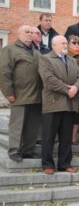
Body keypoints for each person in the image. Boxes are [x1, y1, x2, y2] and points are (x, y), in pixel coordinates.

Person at [38, 35, 79, 175]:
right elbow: (49, 79)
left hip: (69, 105)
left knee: (66, 137)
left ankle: (65, 164)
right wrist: (67, 90)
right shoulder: (45, 59)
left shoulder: (71, 60)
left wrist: (76, 88)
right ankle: (47, 164)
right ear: (54, 46)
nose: (66, 45)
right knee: (48, 136)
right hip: (53, 104)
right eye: (62, 43)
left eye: (66, 42)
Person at [0, 25, 43, 162]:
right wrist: (8, 93)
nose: (30, 34)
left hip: (36, 95)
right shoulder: (10, 49)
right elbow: (4, 72)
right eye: (26, 32)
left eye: (32, 32)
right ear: (19, 34)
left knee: (32, 124)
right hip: (19, 94)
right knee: (17, 124)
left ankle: (28, 150)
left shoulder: (36, 51)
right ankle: (14, 150)